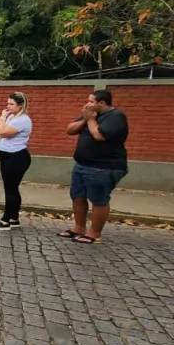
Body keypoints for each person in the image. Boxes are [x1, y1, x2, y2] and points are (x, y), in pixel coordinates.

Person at [60, 89, 130, 244]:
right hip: (82, 164)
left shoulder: (116, 117)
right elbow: (70, 130)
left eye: (91, 101)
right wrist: (86, 119)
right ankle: (79, 228)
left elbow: (99, 135)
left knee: (98, 199)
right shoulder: (90, 115)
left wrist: (91, 120)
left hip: (104, 166)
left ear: (102, 103)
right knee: (77, 196)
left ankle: (94, 233)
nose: (87, 104)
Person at [0, 92, 33, 231]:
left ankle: (5, 221)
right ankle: (14, 218)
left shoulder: (22, 120)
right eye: (8, 103)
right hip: (7, 156)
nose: (8, 106)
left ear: (20, 105)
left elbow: (2, 133)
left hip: (16, 157)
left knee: (10, 190)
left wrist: (2, 117)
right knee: (12, 188)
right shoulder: (13, 117)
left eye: (11, 104)